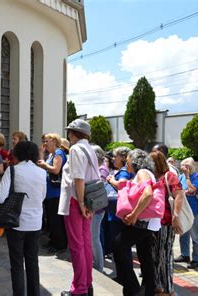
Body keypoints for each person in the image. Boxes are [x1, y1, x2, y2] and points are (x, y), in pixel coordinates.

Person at [0, 141, 46, 296]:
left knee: (17, 264)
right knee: (32, 262)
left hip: (16, 223)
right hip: (35, 223)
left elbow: (0, 196)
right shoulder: (41, 172)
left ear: (17, 153)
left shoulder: (12, 170)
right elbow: (42, 197)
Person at [58, 119, 99, 296]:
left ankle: (79, 289)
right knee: (85, 244)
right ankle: (87, 285)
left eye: (70, 131)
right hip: (89, 200)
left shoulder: (75, 149)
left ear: (75, 133)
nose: (68, 134)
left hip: (77, 201)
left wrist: (81, 203)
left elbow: (79, 178)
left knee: (76, 246)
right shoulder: (90, 149)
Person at [113, 149, 160, 296]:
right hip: (149, 223)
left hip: (143, 222)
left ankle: (132, 289)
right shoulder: (145, 173)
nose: (126, 162)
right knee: (145, 257)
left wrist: (134, 214)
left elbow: (148, 194)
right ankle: (147, 290)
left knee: (118, 245)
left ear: (134, 161)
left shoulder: (142, 173)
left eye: (127, 160)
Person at [150, 151, 184, 296]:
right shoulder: (152, 176)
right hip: (153, 223)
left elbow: (179, 195)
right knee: (155, 256)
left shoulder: (169, 176)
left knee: (165, 255)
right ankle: (158, 286)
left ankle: (168, 289)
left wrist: (175, 216)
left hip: (166, 222)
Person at [37, 133, 68, 252]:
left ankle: (59, 244)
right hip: (50, 192)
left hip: (55, 192)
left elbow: (56, 170)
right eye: (44, 141)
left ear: (54, 142)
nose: (44, 144)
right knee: (51, 219)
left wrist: (45, 165)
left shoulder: (59, 153)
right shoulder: (52, 154)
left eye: (46, 141)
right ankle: (54, 241)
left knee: (55, 220)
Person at [175, 157, 198, 269]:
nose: (186, 169)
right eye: (184, 166)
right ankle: (185, 255)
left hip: (193, 210)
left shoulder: (197, 176)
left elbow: (192, 190)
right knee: (183, 233)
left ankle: (196, 259)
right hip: (183, 209)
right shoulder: (180, 176)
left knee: (195, 235)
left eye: (188, 167)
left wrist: (187, 177)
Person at [104, 147, 133, 257]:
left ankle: (122, 272)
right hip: (120, 211)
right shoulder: (127, 170)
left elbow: (122, 185)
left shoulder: (124, 171)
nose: (113, 159)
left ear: (122, 157)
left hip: (118, 212)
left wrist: (111, 180)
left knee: (119, 242)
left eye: (115, 156)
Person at [90, 145, 107, 273]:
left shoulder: (102, 170)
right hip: (95, 208)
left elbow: (97, 187)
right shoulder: (98, 168)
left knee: (94, 238)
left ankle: (99, 266)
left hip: (97, 209)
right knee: (93, 237)